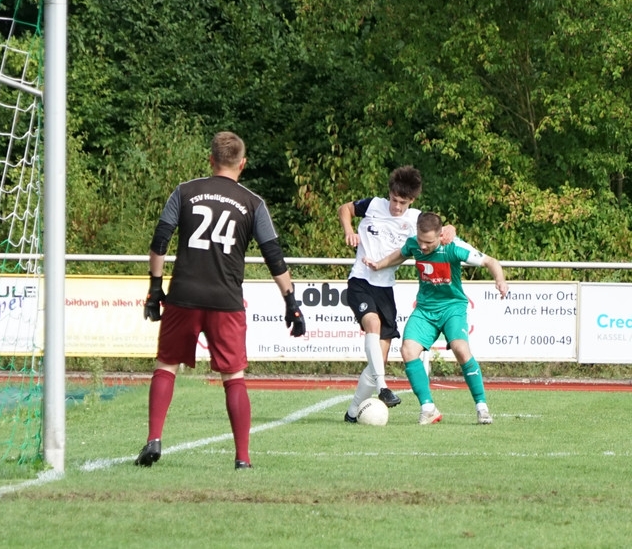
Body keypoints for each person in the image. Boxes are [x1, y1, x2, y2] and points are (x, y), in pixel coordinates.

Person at [136, 131, 304, 470]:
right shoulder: (253, 202)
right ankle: (242, 458)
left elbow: (160, 241)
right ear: (243, 164)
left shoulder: (184, 192)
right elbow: (273, 255)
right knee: (234, 376)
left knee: (166, 364)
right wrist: (291, 301)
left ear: (210, 160)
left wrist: (155, 289)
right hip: (226, 300)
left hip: (183, 295)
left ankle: (154, 438)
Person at [365, 212, 509, 425]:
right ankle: (428, 407)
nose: (423, 247)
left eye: (429, 243)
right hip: (425, 310)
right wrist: (379, 264)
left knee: (461, 349)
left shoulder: (453, 247)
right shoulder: (414, 244)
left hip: (452, 308)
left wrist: (500, 280)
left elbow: (490, 261)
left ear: (441, 235)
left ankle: (482, 407)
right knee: (408, 350)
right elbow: (400, 254)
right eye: (421, 241)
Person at [338, 166, 454, 423]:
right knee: (373, 324)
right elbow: (344, 209)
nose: (397, 206)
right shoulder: (373, 205)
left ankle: (352, 412)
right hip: (360, 280)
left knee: (378, 357)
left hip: (386, 287)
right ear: (388, 194)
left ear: (412, 200)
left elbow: (442, 229)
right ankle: (383, 389)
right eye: (394, 199)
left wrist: (451, 230)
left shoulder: (416, 218)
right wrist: (349, 229)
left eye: (403, 202)